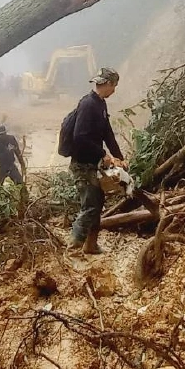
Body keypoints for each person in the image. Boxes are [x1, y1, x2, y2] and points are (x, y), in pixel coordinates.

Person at [68, 67, 125, 254]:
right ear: (107, 84)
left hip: (93, 164)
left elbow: (108, 133)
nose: (114, 91)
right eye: (114, 86)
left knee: (98, 203)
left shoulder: (100, 104)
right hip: (82, 164)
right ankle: (72, 249)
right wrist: (103, 154)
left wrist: (119, 158)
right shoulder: (88, 104)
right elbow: (80, 137)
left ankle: (90, 245)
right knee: (90, 206)